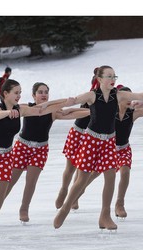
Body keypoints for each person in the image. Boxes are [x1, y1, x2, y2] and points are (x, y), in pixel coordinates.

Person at [53, 65, 143, 230]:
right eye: (109, 76)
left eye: (114, 77)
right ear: (100, 79)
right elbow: (74, 100)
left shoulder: (118, 95)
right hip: (91, 140)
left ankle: (105, 215)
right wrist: (63, 103)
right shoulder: (92, 95)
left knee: (110, 177)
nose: (112, 80)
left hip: (109, 142)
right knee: (82, 178)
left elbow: (141, 95)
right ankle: (66, 208)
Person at [69, 85, 143, 218]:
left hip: (123, 149)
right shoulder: (109, 112)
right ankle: (76, 196)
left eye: (130, 97)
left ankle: (119, 204)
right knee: (93, 175)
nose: (129, 100)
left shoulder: (132, 113)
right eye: (126, 97)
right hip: (107, 148)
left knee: (125, 172)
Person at [3, 82, 89, 223]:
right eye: (40, 92)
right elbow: (10, 109)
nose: (44, 95)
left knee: (31, 181)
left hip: (40, 150)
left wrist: (94, 111)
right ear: (34, 95)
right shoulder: (25, 107)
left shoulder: (52, 112)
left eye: (46, 92)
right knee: (9, 181)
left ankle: (24, 209)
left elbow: (71, 114)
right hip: (22, 148)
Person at [55, 68, 99, 211]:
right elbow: (74, 105)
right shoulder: (89, 95)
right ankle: (63, 190)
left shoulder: (110, 98)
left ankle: (75, 197)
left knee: (83, 171)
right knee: (71, 168)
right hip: (78, 133)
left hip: (92, 137)